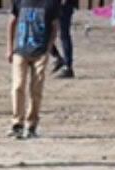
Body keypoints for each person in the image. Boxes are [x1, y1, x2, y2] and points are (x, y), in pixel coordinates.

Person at [7, 0, 55, 139]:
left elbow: (54, 26)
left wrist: (48, 49)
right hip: (20, 51)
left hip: (40, 51)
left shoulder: (51, 3)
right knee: (17, 86)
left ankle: (32, 123)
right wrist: (10, 48)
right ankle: (17, 122)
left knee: (36, 89)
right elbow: (12, 21)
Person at [47, 0, 73, 78]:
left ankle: (67, 67)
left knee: (64, 34)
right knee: (44, 33)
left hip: (63, 6)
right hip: (50, 4)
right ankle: (56, 57)